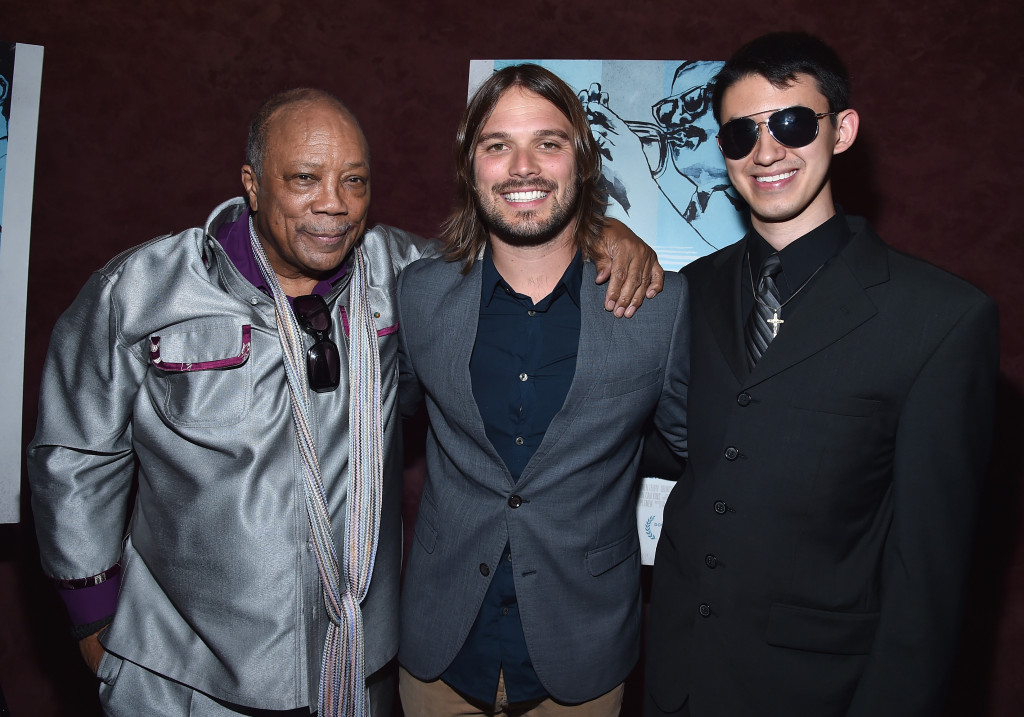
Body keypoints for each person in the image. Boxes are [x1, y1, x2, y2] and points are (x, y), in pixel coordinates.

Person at [27, 88, 660, 717]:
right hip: (182, 667)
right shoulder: (142, 291)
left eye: (354, 181)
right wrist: (91, 619)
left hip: (354, 664)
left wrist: (599, 232)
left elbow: (517, 251)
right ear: (252, 182)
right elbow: (75, 454)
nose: (332, 204)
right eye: (304, 178)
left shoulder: (401, 276)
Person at [644, 32, 999, 717]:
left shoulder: (942, 319)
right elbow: (671, 442)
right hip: (678, 679)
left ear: (842, 130)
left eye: (792, 123)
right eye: (740, 134)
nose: (766, 150)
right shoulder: (692, 291)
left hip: (820, 692)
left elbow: (928, 575)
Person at [396, 64, 689, 716]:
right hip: (438, 653)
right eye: (498, 145)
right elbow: (400, 415)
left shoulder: (660, 310)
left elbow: (686, 447)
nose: (522, 166)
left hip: (582, 656)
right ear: (471, 167)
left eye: (548, 143)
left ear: (581, 163)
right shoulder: (418, 297)